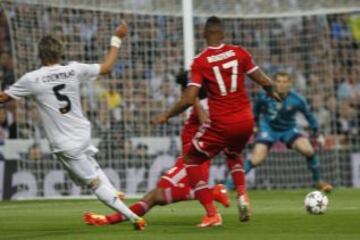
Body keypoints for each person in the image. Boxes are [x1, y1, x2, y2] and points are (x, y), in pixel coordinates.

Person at [0, 21, 146, 230]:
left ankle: (134, 218)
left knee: (93, 183)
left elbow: (3, 97)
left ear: (39, 56)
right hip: (83, 134)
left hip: (64, 143)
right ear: (60, 54)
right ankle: (112, 190)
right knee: (86, 168)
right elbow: (107, 67)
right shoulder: (74, 69)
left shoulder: (32, 79)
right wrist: (117, 38)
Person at [153, 16, 281, 228]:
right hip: (246, 120)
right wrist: (272, 90)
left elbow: (188, 98)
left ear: (203, 34)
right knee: (233, 153)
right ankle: (242, 195)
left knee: (191, 159)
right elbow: (261, 78)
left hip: (222, 122)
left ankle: (212, 214)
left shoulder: (200, 61)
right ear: (222, 33)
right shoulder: (240, 52)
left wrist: (166, 115)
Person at [83, 71, 230, 226]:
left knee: (156, 196)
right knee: (154, 196)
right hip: (189, 161)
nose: (180, 93)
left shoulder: (200, 104)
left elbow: (207, 125)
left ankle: (213, 194)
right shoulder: (200, 105)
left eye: (182, 89)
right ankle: (107, 220)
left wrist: (195, 102)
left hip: (192, 162)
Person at [244, 72, 332, 192]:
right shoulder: (263, 96)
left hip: (288, 129)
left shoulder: (297, 99)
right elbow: (255, 112)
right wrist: (255, 126)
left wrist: (318, 133)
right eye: (279, 81)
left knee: (308, 149)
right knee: (256, 159)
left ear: (290, 84)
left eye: (285, 82)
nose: (281, 85)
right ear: (274, 83)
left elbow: (309, 116)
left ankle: (318, 181)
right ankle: (230, 185)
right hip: (268, 129)